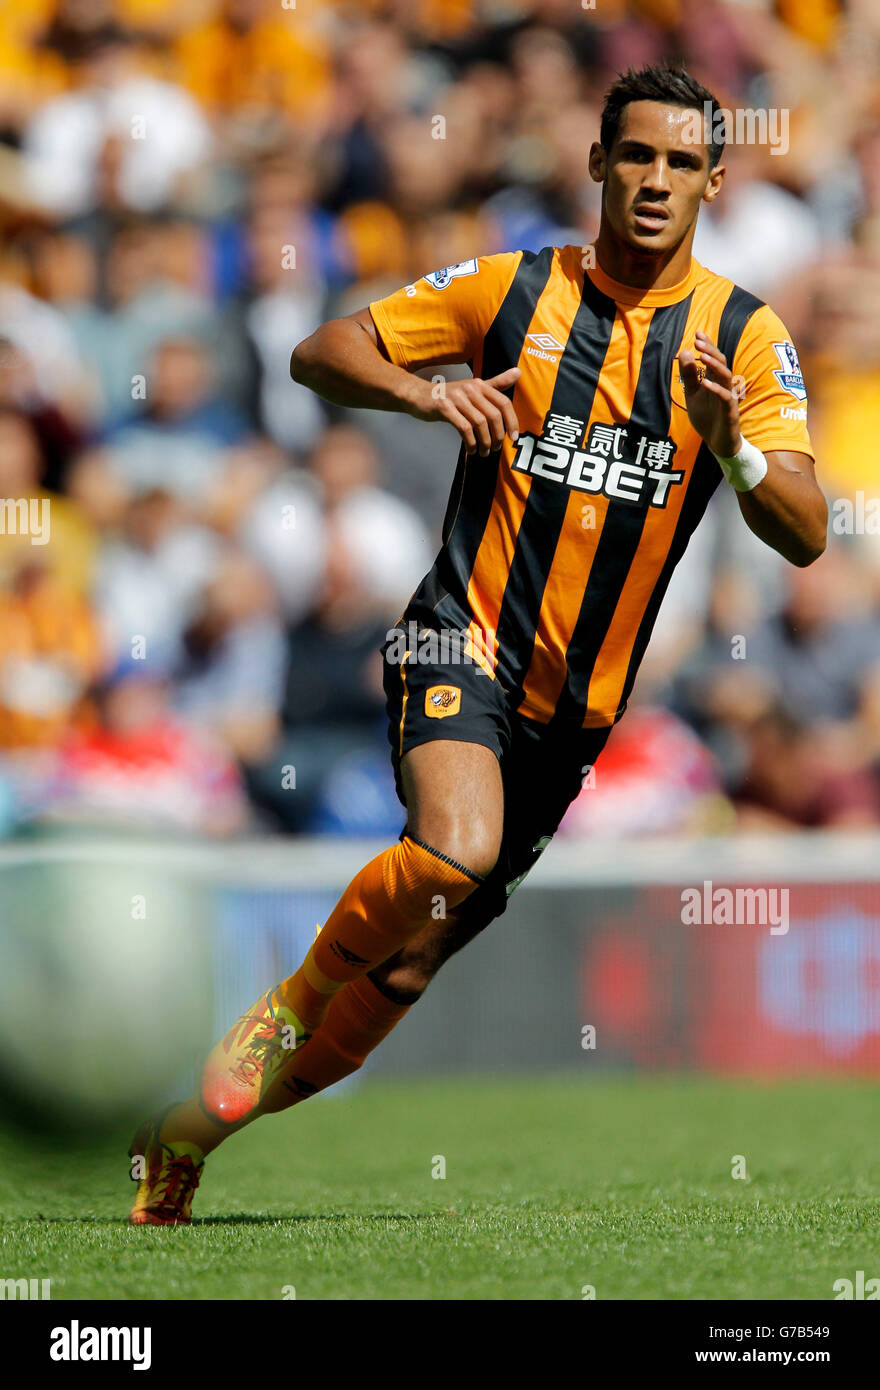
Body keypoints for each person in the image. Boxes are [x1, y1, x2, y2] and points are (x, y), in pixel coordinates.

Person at [128, 64, 827, 1224]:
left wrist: (731, 446)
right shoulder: (511, 289)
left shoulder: (743, 338)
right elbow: (319, 350)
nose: (654, 180)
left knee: (406, 966)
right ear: (598, 165)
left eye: (680, 162)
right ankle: (284, 1007)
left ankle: (187, 1132)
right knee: (453, 848)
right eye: (635, 156)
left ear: (715, 179)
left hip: (577, 710)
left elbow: (803, 531)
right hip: (462, 639)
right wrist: (421, 394)